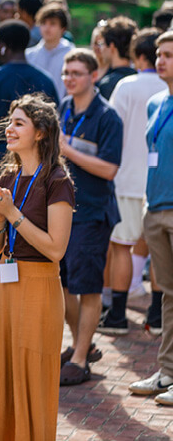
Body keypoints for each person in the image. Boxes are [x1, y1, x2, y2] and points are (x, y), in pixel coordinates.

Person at [0, 94, 74, 440]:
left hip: (40, 287)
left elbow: (56, 249)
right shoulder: (9, 175)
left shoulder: (58, 180)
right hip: (5, 284)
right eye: (10, 122)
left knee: (31, 377)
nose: (8, 129)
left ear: (41, 133)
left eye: (18, 123)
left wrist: (13, 214)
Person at [0, 20, 59, 317]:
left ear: (2, 46)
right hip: (22, 169)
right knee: (1, 234)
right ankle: (0, 298)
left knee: (0, 230)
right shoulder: (46, 80)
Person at [57, 49, 123, 386]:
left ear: (93, 76)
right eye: (67, 72)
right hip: (63, 212)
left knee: (88, 287)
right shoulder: (64, 108)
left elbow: (110, 169)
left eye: (77, 73)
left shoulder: (107, 116)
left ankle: (80, 358)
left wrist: (68, 150)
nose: (69, 78)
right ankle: (82, 342)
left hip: (93, 213)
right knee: (65, 286)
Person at [99, 28, 167, 336]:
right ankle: (157, 312)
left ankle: (117, 314)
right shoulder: (163, 90)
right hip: (158, 182)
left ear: (138, 54)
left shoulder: (127, 85)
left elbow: (111, 129)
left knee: (121, 246)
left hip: (126, 176)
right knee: (157, 250)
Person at [127, 30, 173, 405]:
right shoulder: (156, 101)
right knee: (168, 295)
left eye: (169, 55)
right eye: (159, 53)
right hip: (155, 208)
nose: (160, 60)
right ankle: (168, 372)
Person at [26, 3, 75, 100]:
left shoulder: (72, 54)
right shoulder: (29, 55)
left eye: (52, 24)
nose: (47, 28)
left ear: (63, 28)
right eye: (43, 23)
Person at [97, 16, 138, 100]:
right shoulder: (138, 76)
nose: (100, 49)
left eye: (102, 44)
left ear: (112, 46)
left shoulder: (107, 84)